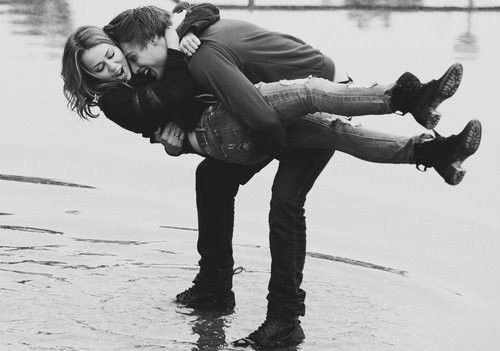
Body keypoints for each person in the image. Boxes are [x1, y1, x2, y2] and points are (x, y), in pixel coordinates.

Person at [61, 6, 480, 348]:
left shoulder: (195, 55)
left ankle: (281, 318)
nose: (120, 66)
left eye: (121, 56)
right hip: (250, 121)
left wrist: (184, 27)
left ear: (150, 41)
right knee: (244, 162)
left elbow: (203, 34)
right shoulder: (139, 83)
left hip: (265, 115)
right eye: (105, 64)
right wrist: (178, 44)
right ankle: (215, 288)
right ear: (89, 77)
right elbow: (172, 97)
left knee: (293, 182)